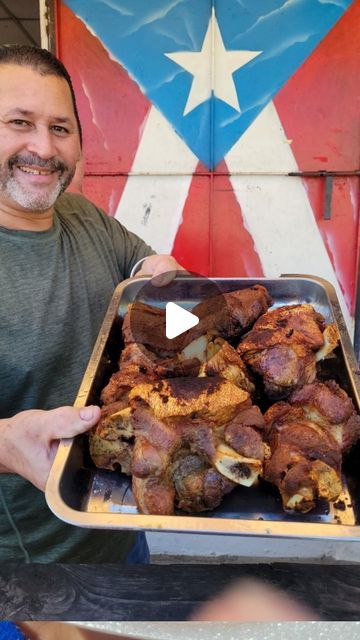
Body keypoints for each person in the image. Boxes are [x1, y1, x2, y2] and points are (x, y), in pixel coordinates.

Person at [0, 44, 183, 563]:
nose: (44, 147)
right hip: (26, 568)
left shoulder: (84, 218)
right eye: (19, 122)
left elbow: (156, 284)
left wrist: (176, 290)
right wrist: (6, 442)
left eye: (60, 128)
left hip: (124, 520)